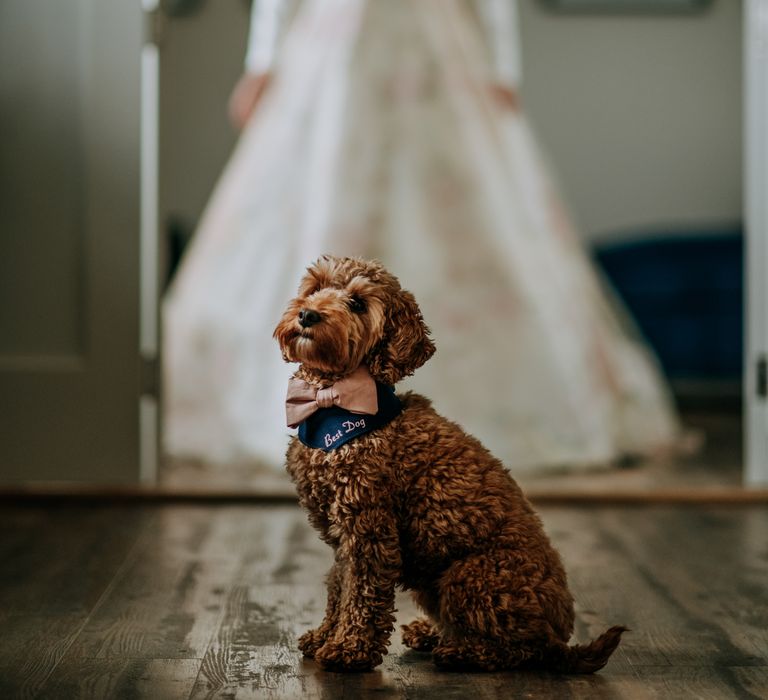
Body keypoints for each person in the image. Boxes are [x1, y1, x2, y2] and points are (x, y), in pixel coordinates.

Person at [163, 0, 681, 473]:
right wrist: (264, 61)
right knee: (322, 197)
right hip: (339, 39)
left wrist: (502, 67)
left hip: (432, 39)